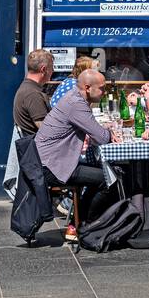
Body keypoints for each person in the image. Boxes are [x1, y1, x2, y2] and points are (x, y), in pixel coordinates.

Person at [33, 69, 121, 241]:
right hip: (52, 166)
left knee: (101, 172)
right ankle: (83, 225)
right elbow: (102, 138)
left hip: (52, 160)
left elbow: (95, 132)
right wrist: (109, 133)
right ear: (88, 87)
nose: (105, 92)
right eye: (102, 88)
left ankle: (78, 223)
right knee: (108, 179)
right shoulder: (76, 104)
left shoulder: (75, 97)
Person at [12, 49, 54, 138]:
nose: (53, 71)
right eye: (51, 67)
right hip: (39, 149)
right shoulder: (33, 94)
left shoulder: (27, 88)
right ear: (43, 69)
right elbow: (47, 130)